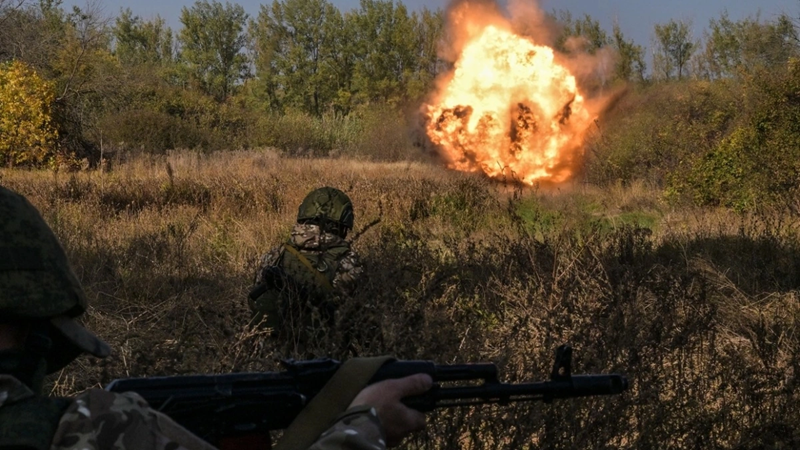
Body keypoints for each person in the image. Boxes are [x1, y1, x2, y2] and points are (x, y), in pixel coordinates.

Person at [0, 185, 430, 450]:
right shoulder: (82, 429)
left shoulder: (277, 254)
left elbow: (254, 301)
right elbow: (357, 311)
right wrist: (364, 427)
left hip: (269, 346)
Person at [250, 187, 363, 340]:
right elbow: (351, 313)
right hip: (322, 352)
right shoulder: (348, 260)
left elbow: (256, 297)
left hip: (271, 347)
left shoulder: (276, 254)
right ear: (343, 223)